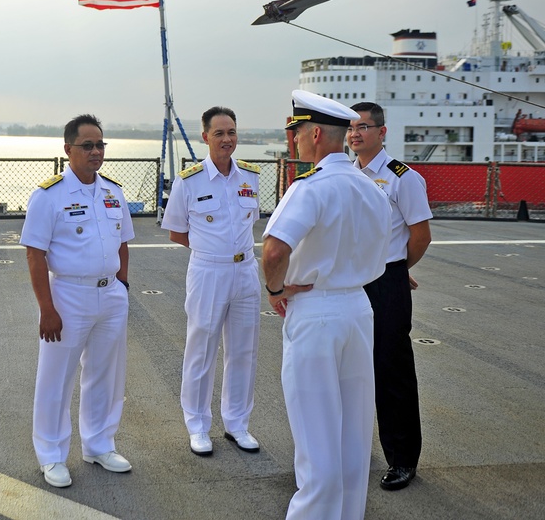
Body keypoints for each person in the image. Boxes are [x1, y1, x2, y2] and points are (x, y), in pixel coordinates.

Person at [262, 90, 390, 520]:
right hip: (358, 308)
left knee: (316, 437)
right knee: (353, 436)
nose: (294, 140)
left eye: (297, 132)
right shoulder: (370, 187)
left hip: (316, 311)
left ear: (315, 133)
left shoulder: (309, 187)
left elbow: (275, 250)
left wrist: (276, 290)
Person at [20, 114, 135, 488]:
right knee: (56, 378)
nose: (96, 151)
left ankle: (99, 444)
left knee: (105, 374)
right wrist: (47, 308)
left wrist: (122, 286)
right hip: (68, 295)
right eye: (87, 145)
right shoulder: (49, 195)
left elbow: (122, 243)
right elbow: (34, 254)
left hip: (110, 295)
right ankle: (51, 455)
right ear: (68, 149)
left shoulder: (113, 191)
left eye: (100, 144)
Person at [161, 106, 263, 456]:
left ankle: (237, 424)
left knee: (243, 350)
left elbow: (252, 223)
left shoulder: (250, 176)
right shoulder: (189, 181)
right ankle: (198, 425)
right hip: (208, 270)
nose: (227, 139)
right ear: (205, 136)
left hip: (246, 270)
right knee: (201, 349)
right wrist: (211, 250)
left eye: (231, 132)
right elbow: (177, 232)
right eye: (219, 133)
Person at [348, 102, 432, 491]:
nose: (355, 134)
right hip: (352, 280)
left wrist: (397, 272)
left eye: (364, 127)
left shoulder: (403, 178)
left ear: (382, 132)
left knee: (391, 370)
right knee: (352, 367)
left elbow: (420, 236)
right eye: (351, 128)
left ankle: (402, 458)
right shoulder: (347, 175)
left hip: (387, 282)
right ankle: (355, 445)